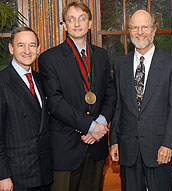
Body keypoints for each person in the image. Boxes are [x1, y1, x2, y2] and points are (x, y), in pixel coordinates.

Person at [38, 2, 116, 191]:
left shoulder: (102, 56)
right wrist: (90, 127)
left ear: (90, 23)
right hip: (65, 149)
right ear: (64, 25)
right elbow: (55, 103)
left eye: (82, 18)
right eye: (71, 19)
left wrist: (101, 123)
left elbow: (111, 93)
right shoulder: (49, 58)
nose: (77, 24)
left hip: (96, 147)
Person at [109, 9, 172, 191]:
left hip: (160, 150)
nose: (140, 32)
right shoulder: (121, 65)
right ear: (129, 31)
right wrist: (114, 140)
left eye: (145, 27)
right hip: (128, 150)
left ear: (154, 29)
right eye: (135, 27)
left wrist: (168, 144)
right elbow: (118, 106)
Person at [0, 27, 53, 191]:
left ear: (38, 49)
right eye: (21, 45)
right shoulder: (2, 82)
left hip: (43, 172)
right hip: (17, 176)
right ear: (11, 48)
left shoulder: (40, 79)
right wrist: (3, 175)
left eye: (32, 45)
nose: (27, 51)